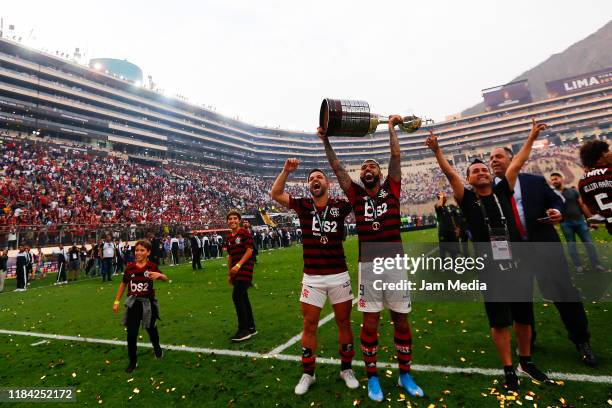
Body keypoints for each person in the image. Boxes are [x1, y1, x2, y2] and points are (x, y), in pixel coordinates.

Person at [427, 119, 550, 391]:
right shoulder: (467, 199)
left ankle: (525, 362)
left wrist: (531, 136)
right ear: (469, 179)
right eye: (475, 171)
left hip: (517, 263)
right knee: (499, 321)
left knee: (524, 317)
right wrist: (437, 152)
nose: (481, 172)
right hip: (490, 269)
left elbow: (517, 163)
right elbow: (450, 175)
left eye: (484, 169)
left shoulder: (502, 190)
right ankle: (509, 369)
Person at [319, 116, 423, 401]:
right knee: (370, 323)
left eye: (372, 166)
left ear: (379, 173)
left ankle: (405, 375)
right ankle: (373, 377)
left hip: (395, 265)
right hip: (369, 266)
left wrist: (391, 128)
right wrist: (325, 140)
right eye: (364, 166)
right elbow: (337, 168)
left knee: (401, 320)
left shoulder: (393, 188)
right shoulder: (355, 196)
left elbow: (395, 156)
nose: (367, 169)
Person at [489, 147, 598, 367]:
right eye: (491, 158)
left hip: (544, 246)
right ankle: (528, 339)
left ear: (513, 158)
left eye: (498, 156)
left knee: (564, 293)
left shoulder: (534, 181)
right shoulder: (487, 189)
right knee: (519, 299)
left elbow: (556, 202)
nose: (493, 161)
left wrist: (558, 212)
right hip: (513, 254)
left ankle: (581, 341)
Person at [271, 159, 358, 395]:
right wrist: (286, 171)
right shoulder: (302, 205)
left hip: (338, 274)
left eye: (318, 177)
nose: (314, 180)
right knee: (309, 325)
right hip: (313, 277)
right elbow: (276, 193)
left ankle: (346, 369)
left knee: (343, 322)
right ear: (308, 186)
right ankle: (308, 373)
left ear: (327, 183)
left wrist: (341, 172)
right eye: (311, 179)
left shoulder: (340, 205)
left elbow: (357, 194)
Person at [112, 240, 167, 373]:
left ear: (148, 252)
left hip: (148, 303)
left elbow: (165, 278)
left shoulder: (152, 266)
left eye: (142, 250)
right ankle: (132, 361)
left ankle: (157, 347)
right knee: (131, 333)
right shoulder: (129, 267)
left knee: (151, 329)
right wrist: (117, 301)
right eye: (137, 250)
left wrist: (160, 275)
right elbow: (123, 284)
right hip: (133, 304)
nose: (139, 253)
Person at [550, 172, 605, 273]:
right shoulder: (551, 194)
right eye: (552, 180)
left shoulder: (573, 191)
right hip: (565, 223)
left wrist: (591, 220)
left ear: (561, 179)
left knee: (589, 243)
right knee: (571, 245)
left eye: (556, 179)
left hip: (579, 221)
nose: (554, 181)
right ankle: (578, 266)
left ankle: (597, 264)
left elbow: (582, 205)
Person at [225, 210, 256, 343]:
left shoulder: (244, 233)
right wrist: (230, 273)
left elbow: (250, 250)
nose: (232, 221)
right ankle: (251, 327)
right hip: (236, 272)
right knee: (243, 297)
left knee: (237, 297)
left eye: (235, 218)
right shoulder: (229, 237)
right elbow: (230, 256)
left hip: (245, 270)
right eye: (230, 219)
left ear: (239, 220)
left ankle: (243, 330)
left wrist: (238, 266)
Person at [578, 140, 612, 234]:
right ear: (602, 155)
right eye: (608, 151)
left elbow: (591, 209)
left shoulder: (583, 182)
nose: (611, 153)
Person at [434, 192, 460, 259]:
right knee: (443, 249)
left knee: (453, 248)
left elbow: (452, 218)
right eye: (444, 198)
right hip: (443, 231)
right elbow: (438, 205)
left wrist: (456, 228)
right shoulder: (437, 206)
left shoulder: (448, 207)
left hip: (451, 230)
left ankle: (454, 264)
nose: (445, 198)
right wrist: (441, 197)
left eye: (444, 197)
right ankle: (443, 265)